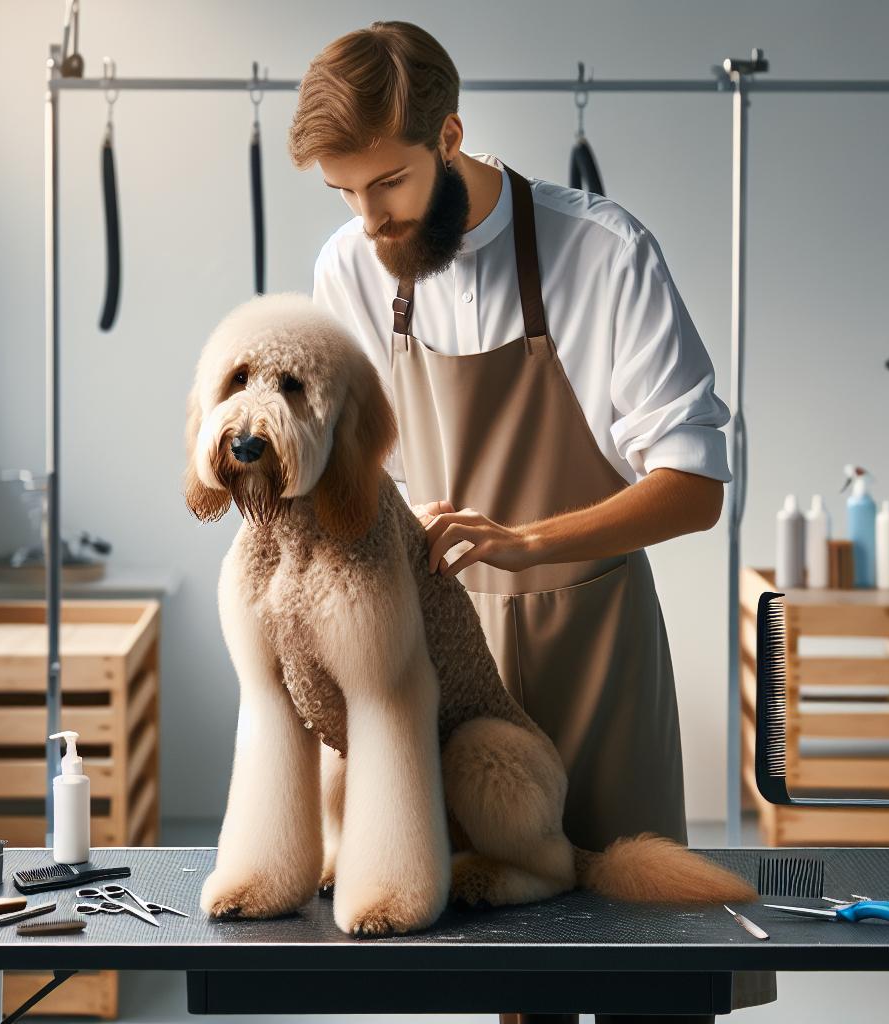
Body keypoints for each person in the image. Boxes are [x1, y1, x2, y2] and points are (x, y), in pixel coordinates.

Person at [293, 21, 772, 1023]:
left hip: (596, 650)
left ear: (451, 135)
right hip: (453, 657)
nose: (369, 221)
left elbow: (695, 485)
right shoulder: (349, 267)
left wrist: (532, 539)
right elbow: (350, 460)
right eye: (344, 194)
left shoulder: (603, 252)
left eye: (386, 185)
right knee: (514, 968)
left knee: (650, 969)